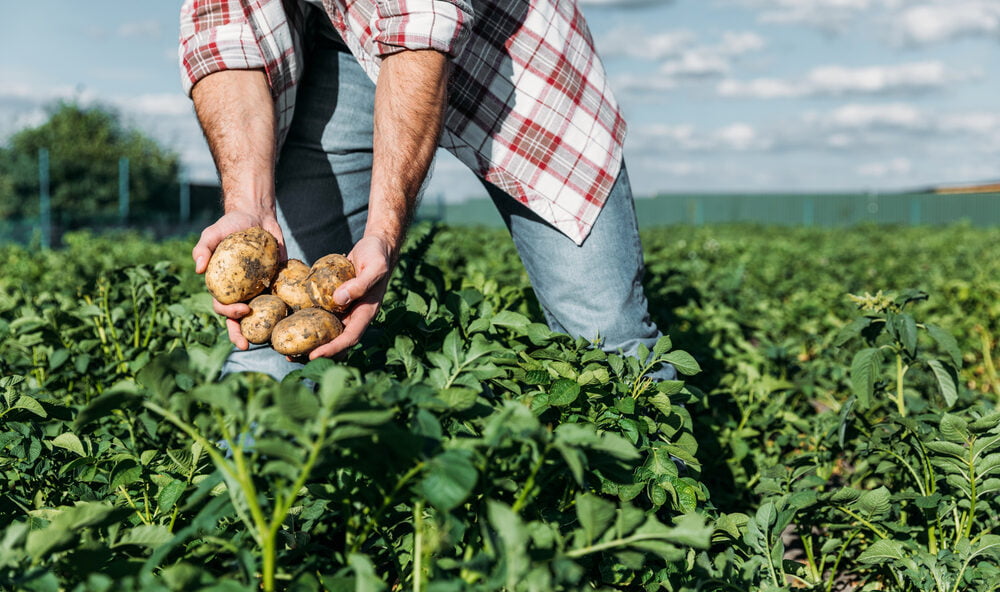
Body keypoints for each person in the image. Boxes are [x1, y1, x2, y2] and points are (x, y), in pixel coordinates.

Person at [180, 0, 674, 382]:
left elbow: (419, 25)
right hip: (337, 41)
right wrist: (248, 204)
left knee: (605, 334)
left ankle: (647, 508)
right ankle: (250, 505)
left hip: (507, 48)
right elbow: (224, 34)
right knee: (275, 331)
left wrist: (383, 234)